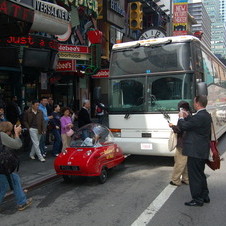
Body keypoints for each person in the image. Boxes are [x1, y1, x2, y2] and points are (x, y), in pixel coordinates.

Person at [178, 95, 212, 207]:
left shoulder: (199, 117)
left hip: (195, 151)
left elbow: (184, 126)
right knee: (200, 174)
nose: (193, 104)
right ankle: (204, 195)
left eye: (194, 102)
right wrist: (187, 116)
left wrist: (181, 118)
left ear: (197, 103)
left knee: (195, 176)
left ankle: (197, 199)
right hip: (201, 150)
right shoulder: (205, 114)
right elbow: (193, 124)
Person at [0, 121, 32, 211]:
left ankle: (22, 201)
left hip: (2, 168)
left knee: (14, 179)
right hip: (2, 167)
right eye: (10, 131)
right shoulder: (2, 135)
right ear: (7, 130)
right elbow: (17, 145)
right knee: (3, 186)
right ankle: (22, 202)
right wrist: (17, 133)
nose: (10, 132)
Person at [169, 101, 192, 186]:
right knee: (185, 163)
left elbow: (179, 129)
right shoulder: (190, 115)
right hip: (188, 143)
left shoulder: (183, 116)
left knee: (179, 162)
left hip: (182, 143)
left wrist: (172, 126)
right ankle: (186, 179)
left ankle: (175, 180)